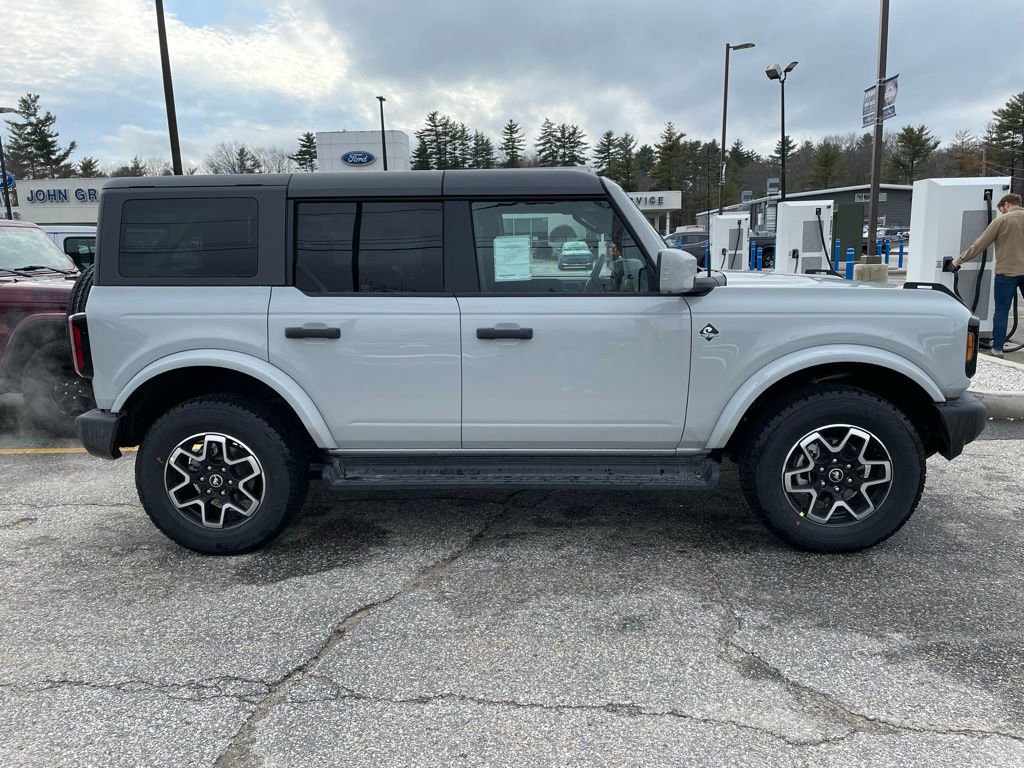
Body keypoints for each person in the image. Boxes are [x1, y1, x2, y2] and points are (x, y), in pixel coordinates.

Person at [953, 193, 1024, 358]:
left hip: (1006, 273)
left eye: (1001, 210)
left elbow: (980, 244)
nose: (1002, 213)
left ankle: (997, 348)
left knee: (1001, 311)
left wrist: (959, 260)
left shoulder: (1002, 221)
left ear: (1006, 204)